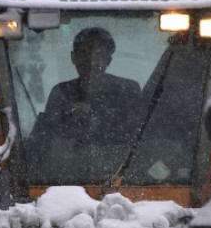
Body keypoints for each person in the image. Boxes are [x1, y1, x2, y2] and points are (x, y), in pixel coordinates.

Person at [28, 27, 141, 181]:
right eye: (84, 53)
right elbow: (43, 144)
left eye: (99, 55)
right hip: (65, 181)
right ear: (73, 57)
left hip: (120, 180)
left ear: (108, 60)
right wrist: (70, 124)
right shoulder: (61, 93)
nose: (91, 61)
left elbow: (140, 138)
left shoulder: (128, 91)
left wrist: (99, 124)